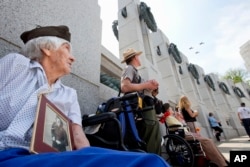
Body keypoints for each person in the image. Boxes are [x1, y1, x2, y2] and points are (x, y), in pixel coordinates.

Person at [0, 25, 170, 167]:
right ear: (46, 49)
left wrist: (87, 157)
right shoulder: (17, 64)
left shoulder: (69, 95)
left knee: (151, 162)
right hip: (5, 152)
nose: (73, 58)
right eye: (67, 49)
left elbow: (78, 137)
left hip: (44, 158)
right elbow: (125, 86)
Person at [120, 48, 162, 155]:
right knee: (151, 136)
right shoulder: (129, 68)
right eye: (138, 56)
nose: (139, 58)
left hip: (142, 109)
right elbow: (125, 87)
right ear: (134, 57)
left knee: (154, 135)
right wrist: (146, 85)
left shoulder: (136, 72)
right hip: (139, 110)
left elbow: (148, 91)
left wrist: (153, 86)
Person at [160, 103, 229, 167]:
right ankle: (221, 163)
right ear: (168, 109)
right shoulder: (169, 117)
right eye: (171, 109)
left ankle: (223, 161)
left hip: (185, 133)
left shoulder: (171, 117)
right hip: (183, 135)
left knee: (209, 141)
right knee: (207, 141)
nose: (172, 110)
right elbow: (177, 127)